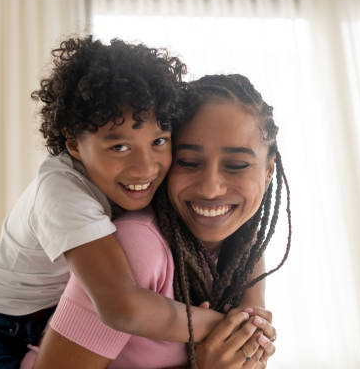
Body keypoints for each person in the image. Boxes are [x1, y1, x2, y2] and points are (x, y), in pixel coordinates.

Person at [0, 37, 228, 369]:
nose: (145, 166)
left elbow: (240, 226)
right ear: (73, 142)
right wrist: (219, 327)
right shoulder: (61, 191)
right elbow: (121, 306)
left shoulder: (148, 178)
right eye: (119, 147)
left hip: (47, 322)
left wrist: (253, 304)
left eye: (158, 140)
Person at [23, 74, 292, 368]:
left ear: (268, 170)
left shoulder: (244, 245)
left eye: (236, 165)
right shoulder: (138, 247)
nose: (210, 188)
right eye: (189, 162)